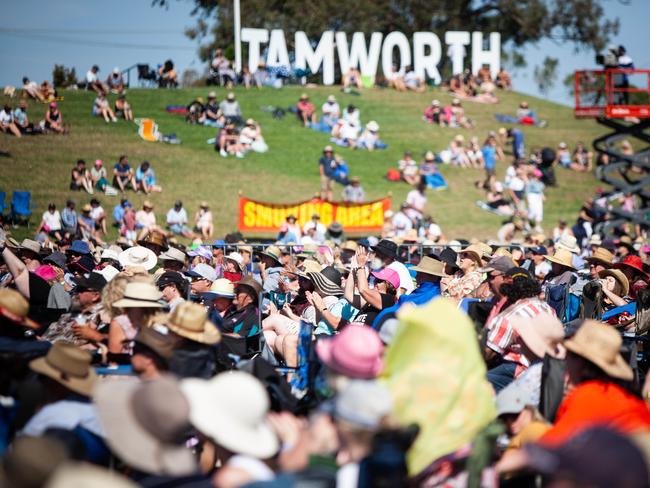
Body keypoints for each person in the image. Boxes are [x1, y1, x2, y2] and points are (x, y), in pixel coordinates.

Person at [540, 321, 650, 445]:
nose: (565, 359)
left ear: (581, 361)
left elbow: (550, 445)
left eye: (569, 353)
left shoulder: (588, 395)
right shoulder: (625, 395)